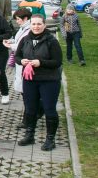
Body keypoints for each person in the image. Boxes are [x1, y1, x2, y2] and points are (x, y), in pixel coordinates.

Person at [16, 14, 63, 151]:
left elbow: (57, 62)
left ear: (44, 25)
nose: (36, 27)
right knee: (30, 108)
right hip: (30, 80)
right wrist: (22, 61)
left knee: (49, 109)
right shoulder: (25, 39)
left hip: (49, 80)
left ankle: (50, 139)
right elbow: (18, 56)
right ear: (30, 25)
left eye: (39, 24)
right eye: (33, 24)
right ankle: (30, 135)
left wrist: (40, 62)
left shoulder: (51, 41)